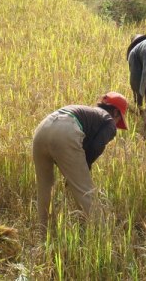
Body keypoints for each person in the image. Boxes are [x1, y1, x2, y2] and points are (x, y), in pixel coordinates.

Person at [32, 92, 128, 228]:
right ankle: (100, 233)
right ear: (116, 112)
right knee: (85, 191)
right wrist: (84, 168)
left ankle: (42, 232)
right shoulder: (110, 122)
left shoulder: (89, 113)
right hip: (66, 130)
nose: (117, 124)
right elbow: (95, 147)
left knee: (45, 187)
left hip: (42, 129)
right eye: (120, 120)